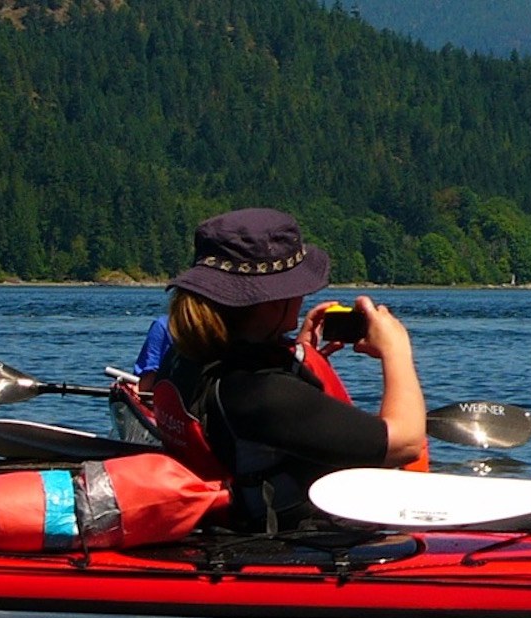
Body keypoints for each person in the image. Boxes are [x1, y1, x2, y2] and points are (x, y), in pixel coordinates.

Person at [149, 208, 426, 533]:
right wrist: (396, 350)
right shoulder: (262, 392)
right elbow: (405, 442)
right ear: (272, 300)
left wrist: (296, 355)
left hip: (228, 530)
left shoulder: (184, 356)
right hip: (297, 546)